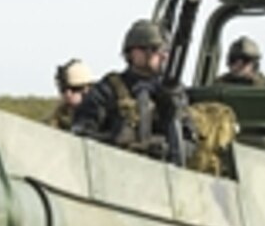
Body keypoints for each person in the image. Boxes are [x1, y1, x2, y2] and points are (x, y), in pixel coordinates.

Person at [71, 19, 189, 162]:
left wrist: (167, 148)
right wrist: (117, 142)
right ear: (133, 52)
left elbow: (190, 139)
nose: (162, 56)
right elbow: (80, 134)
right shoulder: (108, 89)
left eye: (164, 50)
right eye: (153, 49)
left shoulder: (172, 92)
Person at [46, 59, 94, 130]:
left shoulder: (100, 118)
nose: (68, 94)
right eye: (63, 88)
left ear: (87, 89)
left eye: (75, 89)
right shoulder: (53, 122)